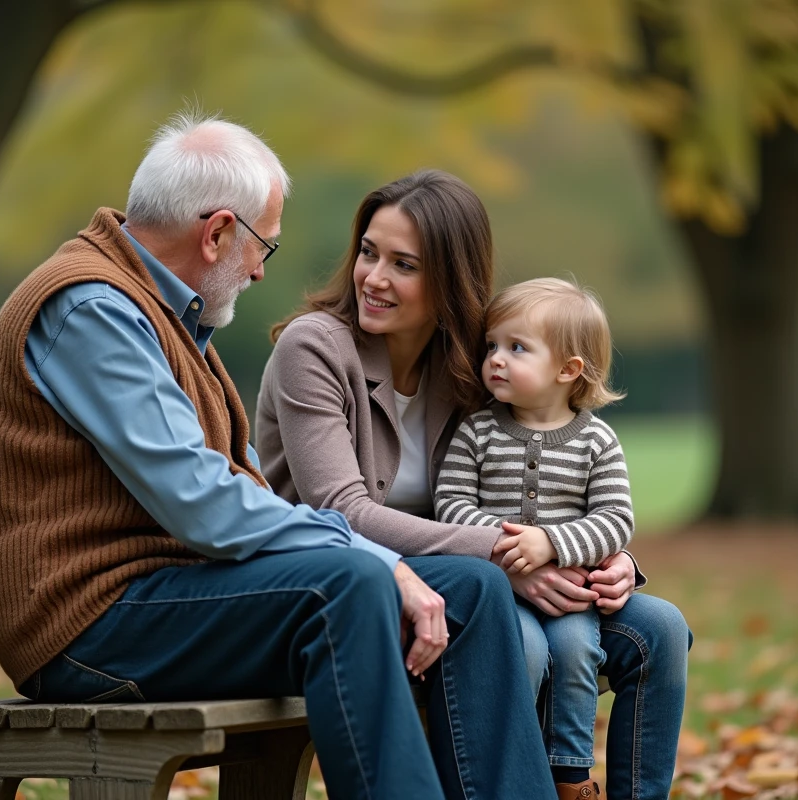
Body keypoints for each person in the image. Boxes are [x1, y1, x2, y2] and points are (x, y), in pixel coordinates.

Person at [0, 114, 558, 800]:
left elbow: (238, 485)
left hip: (172, 597)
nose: (257, 268)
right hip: (90, 627)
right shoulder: (92, 309)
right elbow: (205, 503)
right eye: (262, 248)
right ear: (217, 232)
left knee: (475, 590)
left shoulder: (166, 315)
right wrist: (380, 560)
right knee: (347, 585)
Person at [256, 170, 691, 800]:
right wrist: (502, 557)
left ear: (450, 281)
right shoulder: (315, 349)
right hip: (357, 577)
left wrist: (610, 559)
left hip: (487, 570)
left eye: (403, 264)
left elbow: (532, 479)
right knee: (509, 628)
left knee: (659, 629)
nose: (374, 277)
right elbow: (339, 510)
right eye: (369, 253)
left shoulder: (469, 364)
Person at [434, 276, 635, 798]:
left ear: (568, 370)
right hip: (505, 593)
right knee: (521, 652)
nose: (496, 359)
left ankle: (569, 774)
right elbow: (451, 507)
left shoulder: (596, 440)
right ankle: (513, 763)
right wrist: (507, 546)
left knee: (573, 653)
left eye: (517, 348)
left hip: (572, 594)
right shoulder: (477, 430)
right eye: (493, 346)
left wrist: (551, 543)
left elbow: (615, 519)